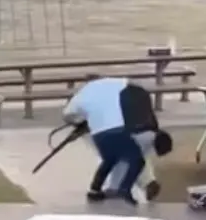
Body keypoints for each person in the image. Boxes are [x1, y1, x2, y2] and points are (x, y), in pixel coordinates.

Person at [62, 74, 148, 205]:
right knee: (137, 160)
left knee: (109, 159)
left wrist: (80, 121)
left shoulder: (81, 94)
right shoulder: (112, 82)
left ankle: (94, 190)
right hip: (118, 128)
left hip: (99, 133)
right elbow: (134, 84)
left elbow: (67, 115)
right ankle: (124, 189)